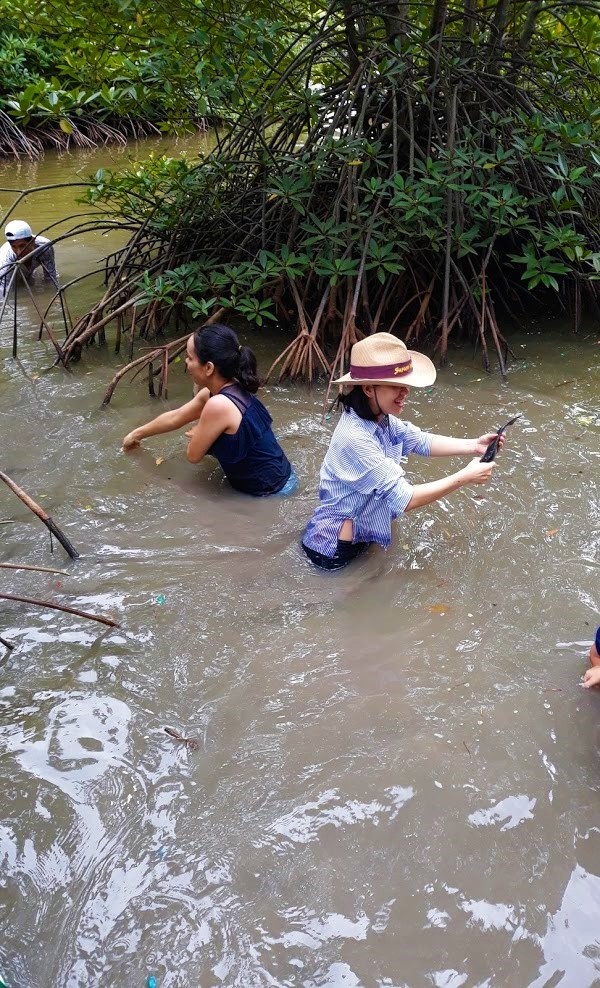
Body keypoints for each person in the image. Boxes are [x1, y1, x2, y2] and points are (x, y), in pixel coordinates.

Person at [302, 332, 507, 570]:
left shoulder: (379, 418)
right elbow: (405, 498)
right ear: (368, 388)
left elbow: (419, 441)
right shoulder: (354, 438)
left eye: (405, 385)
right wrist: (464, 477)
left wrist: (475, 445)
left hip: (363, 533)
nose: (405, 392)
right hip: (333, 550)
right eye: (395, 385)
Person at [122, 323, 295, 496]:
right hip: (282, 476)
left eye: (190, 358)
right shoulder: (224, 389)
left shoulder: (218, 404)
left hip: (271, 492)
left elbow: (193, 455)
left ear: (209, 368)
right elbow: (176, 417)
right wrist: (135, 435)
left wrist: (199, 433)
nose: (186, 361)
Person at [0, 220, 59, 296]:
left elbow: (51, 277)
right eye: (14, 247)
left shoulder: (45, 247)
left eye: (22, 246)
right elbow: (5, 293)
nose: (18, 252)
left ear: (32, 241)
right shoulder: (5, 261)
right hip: (11, 273)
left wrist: (53, 296)